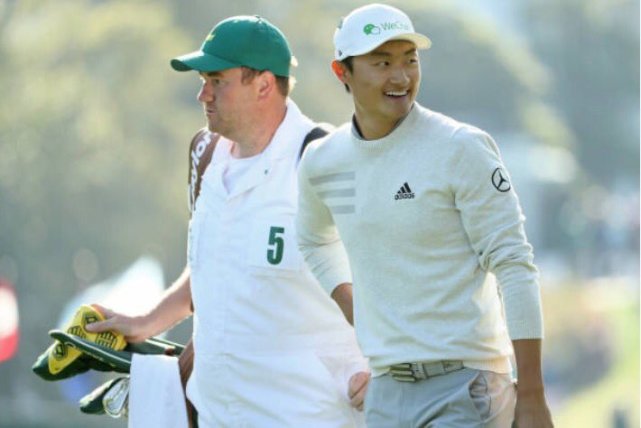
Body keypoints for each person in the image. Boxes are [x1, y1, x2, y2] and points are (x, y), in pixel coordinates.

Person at [87, 15, 368, 427]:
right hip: (216, 416)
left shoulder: (326, 159)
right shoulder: (203, 153)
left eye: (217, 81)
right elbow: (213, 264)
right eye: (203, 81)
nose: (203, 94)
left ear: (264, 85)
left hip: (311, 415)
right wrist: (146, 322)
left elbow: (390, 272)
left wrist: (382, 368)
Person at [296, 4, 554, 428]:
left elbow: (514, 265)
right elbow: (312, 239)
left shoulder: (460, 147)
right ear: (342, 72)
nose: (401, 77)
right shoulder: (324, 161)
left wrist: (531, 394)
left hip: (468, 385)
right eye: (382, 63)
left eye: (410, 60)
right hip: (386, 391)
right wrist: (353, 306)